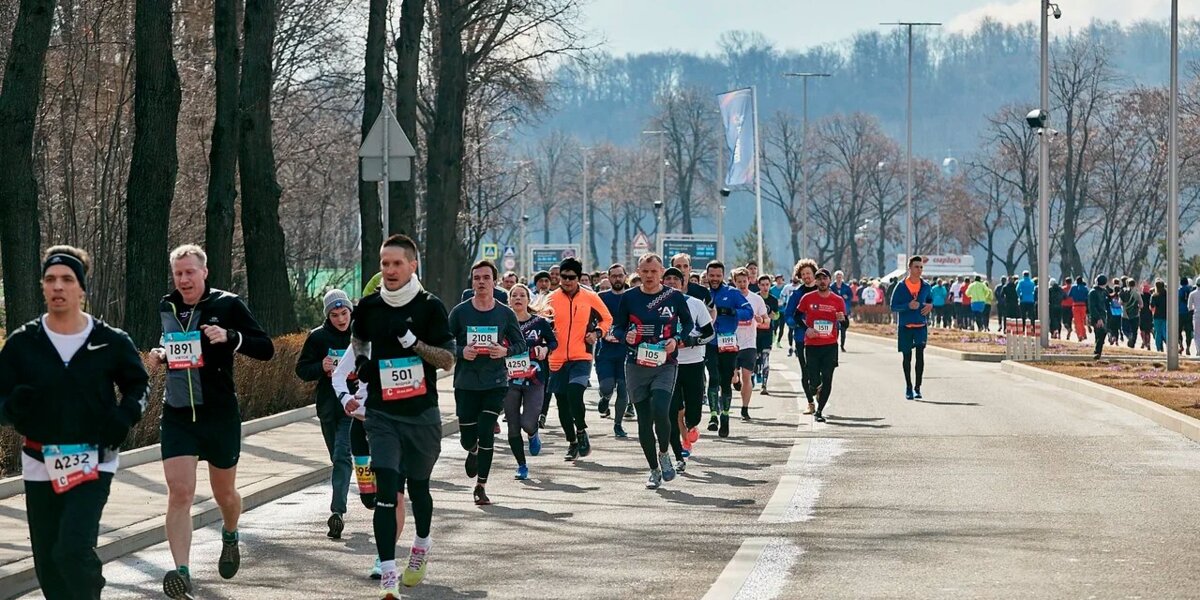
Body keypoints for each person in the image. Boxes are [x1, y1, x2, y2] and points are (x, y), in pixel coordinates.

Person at [0, 246, 149, 600]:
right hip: (39, 463)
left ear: (82, 289)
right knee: (49, 565)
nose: (58, 287)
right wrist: (12, 407)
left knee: (71, 549)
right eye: (51, 280)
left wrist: (125, 415)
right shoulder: (24, 343)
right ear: (42, 286)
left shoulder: (109, 341)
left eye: (67, 279)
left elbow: (138, 384)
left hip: (93, 460)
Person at [148, 245, 274, 599]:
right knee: (180, 493)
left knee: (224, 495)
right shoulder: (167, 305)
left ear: (205, 272)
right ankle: (182, 573)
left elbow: (266, 348)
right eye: (178, 273)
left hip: (218, 415)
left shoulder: (228, 305)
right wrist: (160, 353)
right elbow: (170, 342)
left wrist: (231, 338)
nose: (184, 279)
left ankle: (230, 533)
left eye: (190, 272)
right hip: (177, 413)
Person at [336, 234, 456, 598]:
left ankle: (420, 545)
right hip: (383, 415)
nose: (389, 270)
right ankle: (388, 572)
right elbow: (359, 340)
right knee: (386, 489)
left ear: (412, 265)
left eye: (396, 264)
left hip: (421, 414)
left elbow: (448, 360)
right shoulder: (370, 306)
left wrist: (413, 343)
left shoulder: (430, 307)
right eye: (384, 264)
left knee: (419, 488)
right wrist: (361, 362)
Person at [610, 254, 697, 488]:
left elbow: (688, 324)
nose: (649, 276)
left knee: (661, 409)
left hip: (665, 362)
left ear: (661, 272)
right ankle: (653, 470)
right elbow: (616, 328)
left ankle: (664, 453)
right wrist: (624, 335)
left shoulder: (674, 297)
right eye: (645, 272)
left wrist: (677, 338)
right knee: (644, 420)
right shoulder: (629, 298)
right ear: (638, 272)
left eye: (653, 272)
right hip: (636, 364)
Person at [448, 260, 527, 506]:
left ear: (495, 281)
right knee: (468, 437)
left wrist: (505, 351)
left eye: (485, 278)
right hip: (466, 383)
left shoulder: (505, 313)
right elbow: (444, 344)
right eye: (476, 278)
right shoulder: (460, 312)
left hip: (495, 383)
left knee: (486, 431)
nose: (481, 282)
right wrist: (462, 352)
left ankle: (481, 486)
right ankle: (472, 451)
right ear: (472, 282)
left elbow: (521, 345)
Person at [295, 290, 359, 539]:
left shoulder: (361, 335)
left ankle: (337, 513)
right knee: (338, 457)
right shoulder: (318, 337)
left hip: (353, 407)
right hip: (328, 408)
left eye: (344, 313)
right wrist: (320, 367)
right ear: (328, 316)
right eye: (335, 315)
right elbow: (301, 369)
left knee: (343, 455)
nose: (341, 319)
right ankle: (359, 483)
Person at [545, 257, 613, 462]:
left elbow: (607, 318)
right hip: (556, 358)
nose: (566, 281)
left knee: (575, 392)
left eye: (571, 277)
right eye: (563, 277)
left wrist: (597, 333)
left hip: (581, 355)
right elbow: (540, 322)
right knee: (563, 404)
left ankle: (581, 431)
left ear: (578, 278)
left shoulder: (590, 297)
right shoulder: (550, 298)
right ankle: (572, 442)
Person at [664, 267, 714, 472]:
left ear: (683, 283)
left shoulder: (695, 304)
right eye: (668, 279)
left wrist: (692, 340)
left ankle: (692, 426)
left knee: (693, 412)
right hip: (669, 364)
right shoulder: (656, 305)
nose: (672, 282)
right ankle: (679, 451)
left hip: (693, 362)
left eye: (676, 279)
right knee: (673, 408)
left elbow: (709, 333)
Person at [504, 284, 556, 480]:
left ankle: (533, 433)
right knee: (513, 425)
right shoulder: (504, 323)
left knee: (527, 422)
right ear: (509, 300)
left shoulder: (539, 322)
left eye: (522, 295)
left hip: (535, 377)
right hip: (510, 379)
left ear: (528, 299)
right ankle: (521, 465)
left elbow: (553, 342)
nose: (518, 298)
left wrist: (546, 349)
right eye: (514, 295)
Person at [703, 261, 753, 437]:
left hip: (728, 343)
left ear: (723, 276)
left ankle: (725, 416)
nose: (714, 279)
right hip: (709, 343)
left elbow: (749, 312)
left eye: (718, 276)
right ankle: (713, 416)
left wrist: (732, 312)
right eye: (712, 275)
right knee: (713, 378)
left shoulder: (732, 293)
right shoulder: (704, 293)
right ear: (707, 275)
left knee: (725, 381)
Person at [797, 269, 847, 423]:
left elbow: (846, 324)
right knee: (813, 382)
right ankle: (816, 389)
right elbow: (796, 316)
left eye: (824, 278)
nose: (821, 281)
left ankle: (819, 411)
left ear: (829, 280)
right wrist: (807, 329)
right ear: (816, 282)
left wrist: (842, 319)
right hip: (812, 345)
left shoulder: (837, 300)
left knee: (828, 378)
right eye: (818, 279)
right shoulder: (808, 298)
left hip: (830, 346)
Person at [890, 256, 932, 400]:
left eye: (921, 267)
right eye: (916, 267)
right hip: (906, 327)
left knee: (920, 356)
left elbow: (929, 300)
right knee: (907, 357)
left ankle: (918, 387)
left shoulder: (926, 286)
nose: (919, 270)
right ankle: (908, 386)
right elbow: (893, 306)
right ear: (909, 268)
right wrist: (907, 306)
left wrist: (930, 306)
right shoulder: (901, 286)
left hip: (920, 326)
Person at [595, 264, 632, 429]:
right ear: (608, 278)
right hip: (606, 350)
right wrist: (596, 331)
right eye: (614, 276)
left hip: (626, 349)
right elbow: (590, 319)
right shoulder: (601, 297)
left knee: (623, 389)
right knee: (606, 386)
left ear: (625, 277)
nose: (617, 279)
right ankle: (605, 397)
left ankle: (618, 424)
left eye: (620, 275)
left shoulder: (633, 297)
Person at [731, 268, 768, 421]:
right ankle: (735, 379)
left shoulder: (756, 299)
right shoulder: (730, 297)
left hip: (749, 344)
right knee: (731, 376)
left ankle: (745, 409)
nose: (742, 284)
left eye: (744, 281)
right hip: (731, 342)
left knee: (748, 376)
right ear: (734, 282)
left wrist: (762, 320)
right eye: (738, 281)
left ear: (749, 281)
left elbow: (767, 321)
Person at [784, 259, 820, 414]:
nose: (806, 276)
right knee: (805, 371)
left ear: (814, 274)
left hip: (822, 339)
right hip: (802, 337)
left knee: (819, 370)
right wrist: (798, 324)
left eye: (809, 273)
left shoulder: (822, 290)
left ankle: (818, 387)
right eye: (803, 274)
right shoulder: (797, 294)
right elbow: (788, 315)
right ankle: (810, 403)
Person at [756, 276, 780, 394]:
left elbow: (776, 316)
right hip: (754, 333)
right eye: (763, 285)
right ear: (759, 285)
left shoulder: (773, 300)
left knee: (765, 357)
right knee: (755, 358)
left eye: (767, 284)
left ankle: (764, 385)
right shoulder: (755, 298)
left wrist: (770, 314)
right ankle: (756, 372)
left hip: (767, 332)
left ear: (770, 285)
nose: (765, 287)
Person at [1088, 275, 1112, 360]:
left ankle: (1098, 352)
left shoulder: (1104, 292)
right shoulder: (1093, 292)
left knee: (1101, 334)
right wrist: (1098, 318)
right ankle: (1097, 352)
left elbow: (1107, 302)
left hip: (1103, 315)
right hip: (1096, 316)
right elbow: (1092, 307)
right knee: (1101, 332)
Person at [831, 270, 853, 351]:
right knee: (835, 329)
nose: (839, 279)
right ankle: (834, 344)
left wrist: (847, 297)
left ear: (842, 278)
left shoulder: (846, 287)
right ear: (835, 278)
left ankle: (842, 345)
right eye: (837, 277)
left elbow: (851, 296)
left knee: (843, 329)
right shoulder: (831, 287)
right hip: (834, 311)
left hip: (844, 310)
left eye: (840, 277)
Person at [1119, 278, 1142, 349]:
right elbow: (1141, 304)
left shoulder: (1123, 292)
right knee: (1134, 330)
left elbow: (1120, 303)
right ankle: (1132, 344)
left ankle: (1129, 336)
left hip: (1125, 314)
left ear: (1127, 284)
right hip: (1135, 314)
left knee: (1124, 328)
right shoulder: (1137, 293)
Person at [1069, 277, 1090, 341]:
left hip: (1075, 305)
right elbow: (1088, 297)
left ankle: (1080, 335)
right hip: (1083, 306)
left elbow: (1069, 295)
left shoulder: (1073, 287)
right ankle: (1083, 333)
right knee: (1082, 320)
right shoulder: (1085, 288)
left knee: (1077, 321)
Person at [1151, 279, 1169, 352]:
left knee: (1158, 332)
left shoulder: (1154, 296)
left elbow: (1152, 306)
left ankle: (1159, 348)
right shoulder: (1167, 294)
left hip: (1157, 316)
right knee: (1165, 331)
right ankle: (1170, 346)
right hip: (1166, 315)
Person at [1179, 277, 1195, 355]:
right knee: (1188, 331)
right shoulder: (1191, 290)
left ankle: (1181, 345)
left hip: (1180, 313)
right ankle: (1188, 347)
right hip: (1189, 313)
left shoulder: (1178, 291)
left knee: (1178, 331)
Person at [1189, 284, 1200, 356]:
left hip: (1197, 315)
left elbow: (1189, 307)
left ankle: (1199, 350)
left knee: (1197, 334)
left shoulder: (1192, 294)